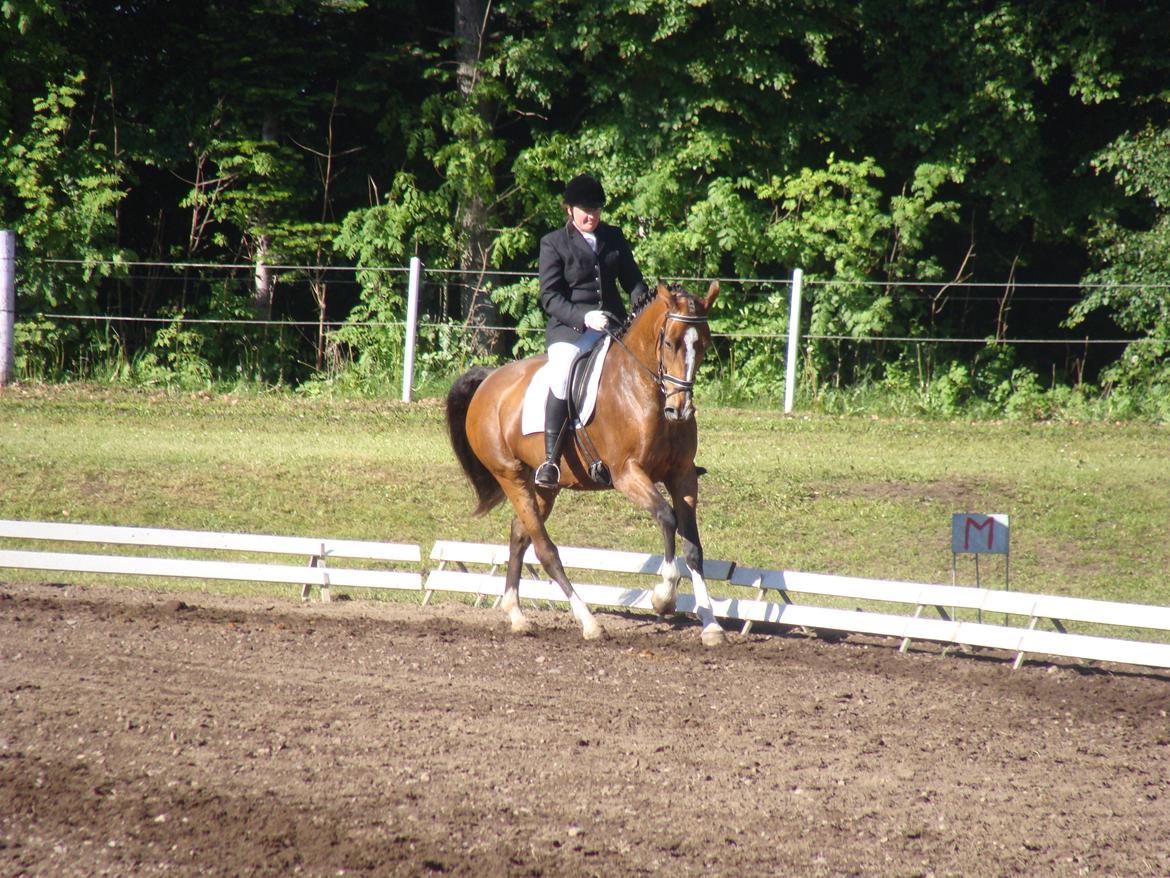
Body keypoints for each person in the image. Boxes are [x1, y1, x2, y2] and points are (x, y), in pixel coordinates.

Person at [534, 173, 649, 488]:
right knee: (561, 373)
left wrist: (643, 311)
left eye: (596, 209)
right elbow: (550, 297)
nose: (592, 216)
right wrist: (584, 317)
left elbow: (634, 283)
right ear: (568, 209)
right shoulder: (553, 243)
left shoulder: (613, 237)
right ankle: (550, 461)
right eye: (585, 209)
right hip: (570, 330)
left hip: (614, 327)